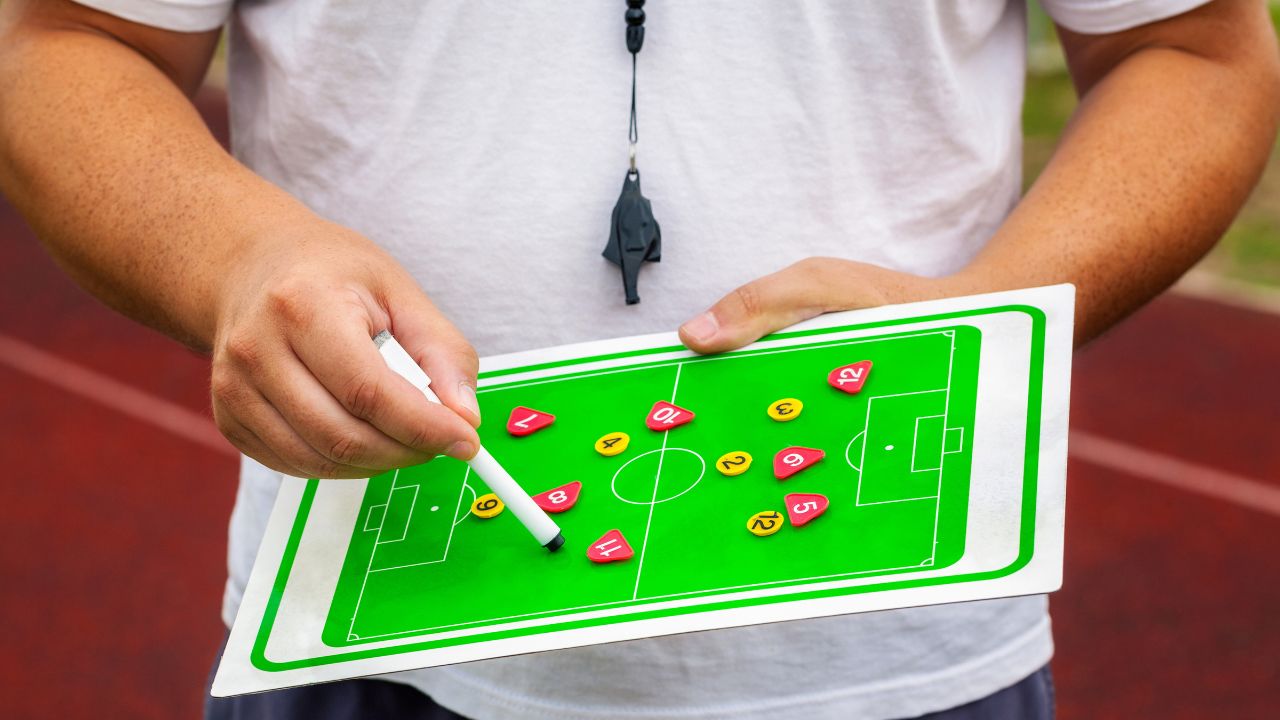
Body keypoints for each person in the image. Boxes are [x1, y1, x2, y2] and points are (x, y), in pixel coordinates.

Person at [1, 0, 1276, 718]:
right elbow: (59, 42)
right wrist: (232, 255)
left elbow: (1196, 48)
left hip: (892, 665)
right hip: (372, 649)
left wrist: (976, 322)